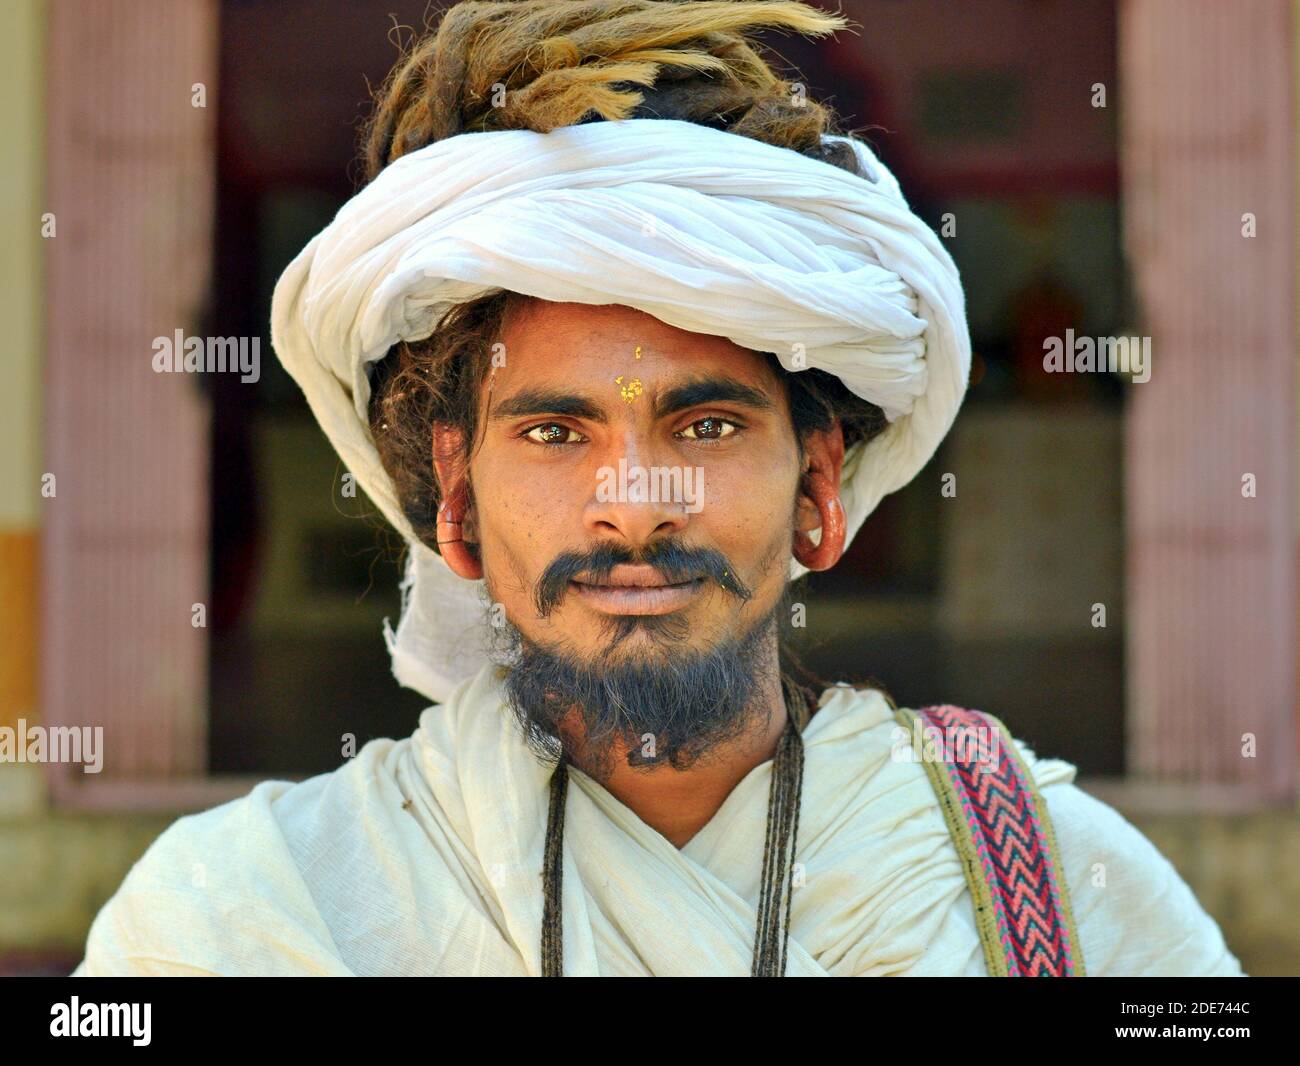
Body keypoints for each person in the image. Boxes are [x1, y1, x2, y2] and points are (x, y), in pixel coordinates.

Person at [72, 0, 1244, 977]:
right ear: (457, 502)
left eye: (709, 422)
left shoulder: (1049, 888)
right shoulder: (251, 915)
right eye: (552, 431)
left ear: (818, 484)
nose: (633, 502)